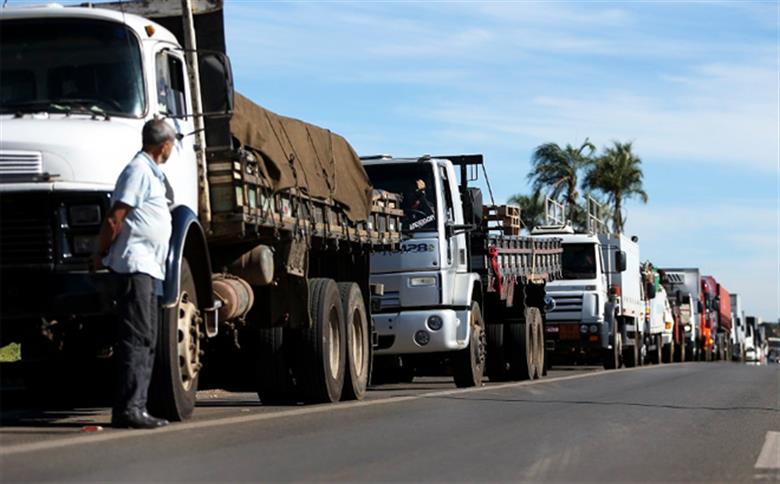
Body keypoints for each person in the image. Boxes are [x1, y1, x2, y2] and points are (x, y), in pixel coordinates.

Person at [93, 119, 175, 429]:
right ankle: (129, 409)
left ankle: (137, 405)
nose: (172, 149)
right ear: (163, 145)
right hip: (134, 266)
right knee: (137, 338)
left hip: (149, 268)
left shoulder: (151, 173)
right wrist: (100, 254)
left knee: (147, 338)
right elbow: (115, 218)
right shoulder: (138, 170)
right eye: (171, 144)